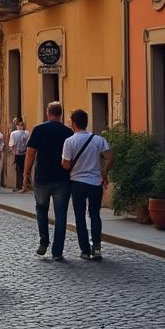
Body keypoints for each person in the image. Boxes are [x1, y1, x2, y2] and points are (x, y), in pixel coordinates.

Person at [24, 102, 74, 261]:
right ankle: (57, 251)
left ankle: (44, 241)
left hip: (42, 178)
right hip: (62, 178)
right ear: (61, 114)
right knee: (61, 215)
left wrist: (26, 174)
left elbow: (30, 153)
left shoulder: (39, 129)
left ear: (48, 112)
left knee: (41, 209)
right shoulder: (68, 132)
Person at [61, 109, 113, 260]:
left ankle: (85, 250)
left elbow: (66, 165)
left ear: (73, 123)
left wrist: (64, 164)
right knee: (95, 215)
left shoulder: (70, 141)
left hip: (77, 183)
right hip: (95, 182)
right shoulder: (98, 140)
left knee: (80, 216)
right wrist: (104, 173)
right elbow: (110, 157)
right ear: (86, 122)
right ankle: (96, 248)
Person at [9, 118, 31, 192]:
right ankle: (26, 185)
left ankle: (19, 186)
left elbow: (11, 145)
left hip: (17, 154)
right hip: (26, 154)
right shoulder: (27, 133)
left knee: (19, 170)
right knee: (26, 169)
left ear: (17, 125)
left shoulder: (13, 133)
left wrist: (13, 151)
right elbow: (29, 143)